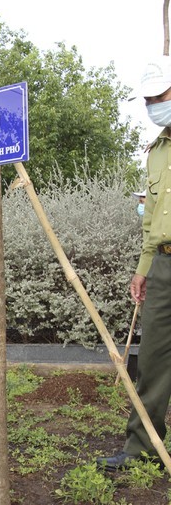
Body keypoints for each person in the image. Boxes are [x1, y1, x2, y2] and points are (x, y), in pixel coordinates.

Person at [98, 56, 171, 472]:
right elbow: (153, 220)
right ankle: (142, 450)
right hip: (162, 267)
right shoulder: (156, 153)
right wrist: (143, 269)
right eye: (147, 100)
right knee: (155, 360)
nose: (152, 106)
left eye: (159, 96)